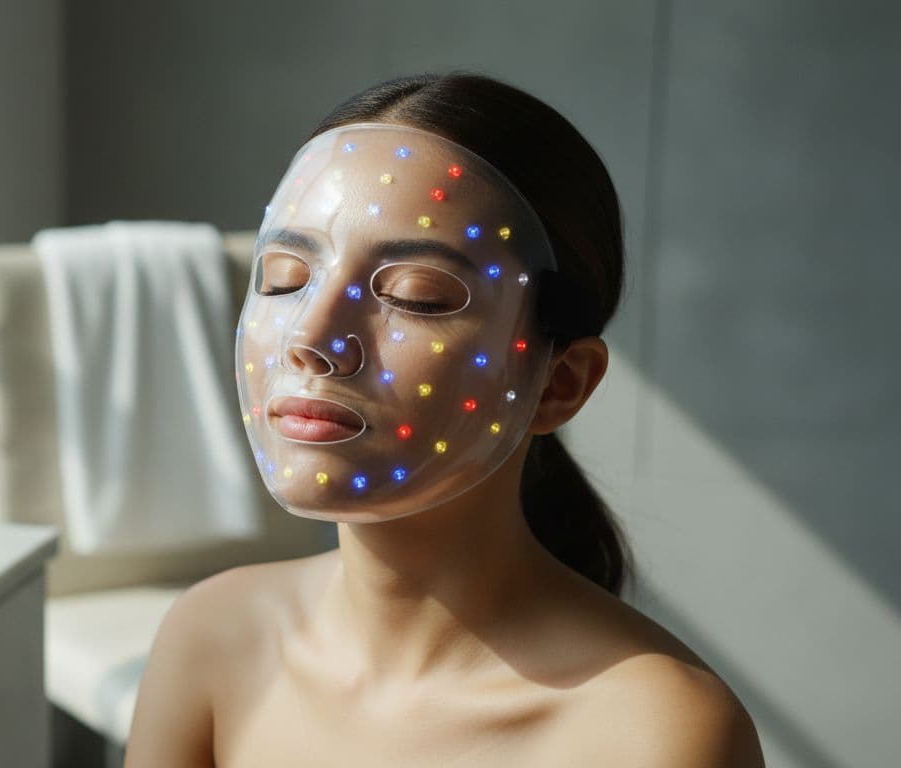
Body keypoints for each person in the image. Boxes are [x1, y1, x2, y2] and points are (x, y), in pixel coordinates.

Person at [124, 72, 764, 767]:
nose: (309, 337)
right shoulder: (215, 636)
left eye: (417, 297)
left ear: (560, 384)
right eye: (285, 279)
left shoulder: (656, 732)